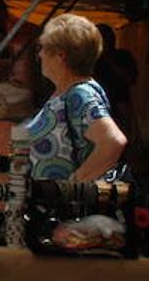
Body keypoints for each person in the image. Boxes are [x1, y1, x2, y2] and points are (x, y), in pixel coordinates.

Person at [24, 14, 127, 181]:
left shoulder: (79, 95)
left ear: (60, 55)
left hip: (64, 205)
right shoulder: (66, 93)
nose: (40, 55)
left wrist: (76, 183)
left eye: (43, 48)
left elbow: (113, 142)